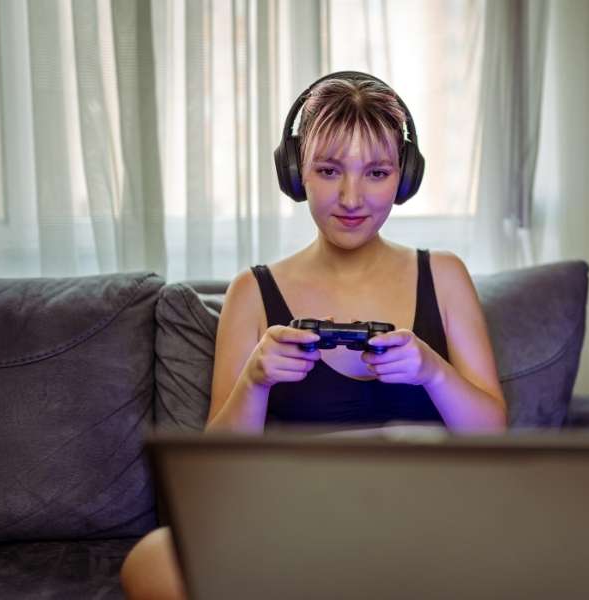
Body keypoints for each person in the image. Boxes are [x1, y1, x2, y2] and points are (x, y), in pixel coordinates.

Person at [119, 71, 507, 599]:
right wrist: (254, 380)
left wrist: (432, 372)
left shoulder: (444, 275)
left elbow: (494, 438)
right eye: (328, 170)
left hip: (422, 524)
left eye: (376, 172)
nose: (352, 196)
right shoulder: (251, 292)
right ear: (296, 173)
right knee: (152, 560)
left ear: (405, 177)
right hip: (297, 528)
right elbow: (213, 478)